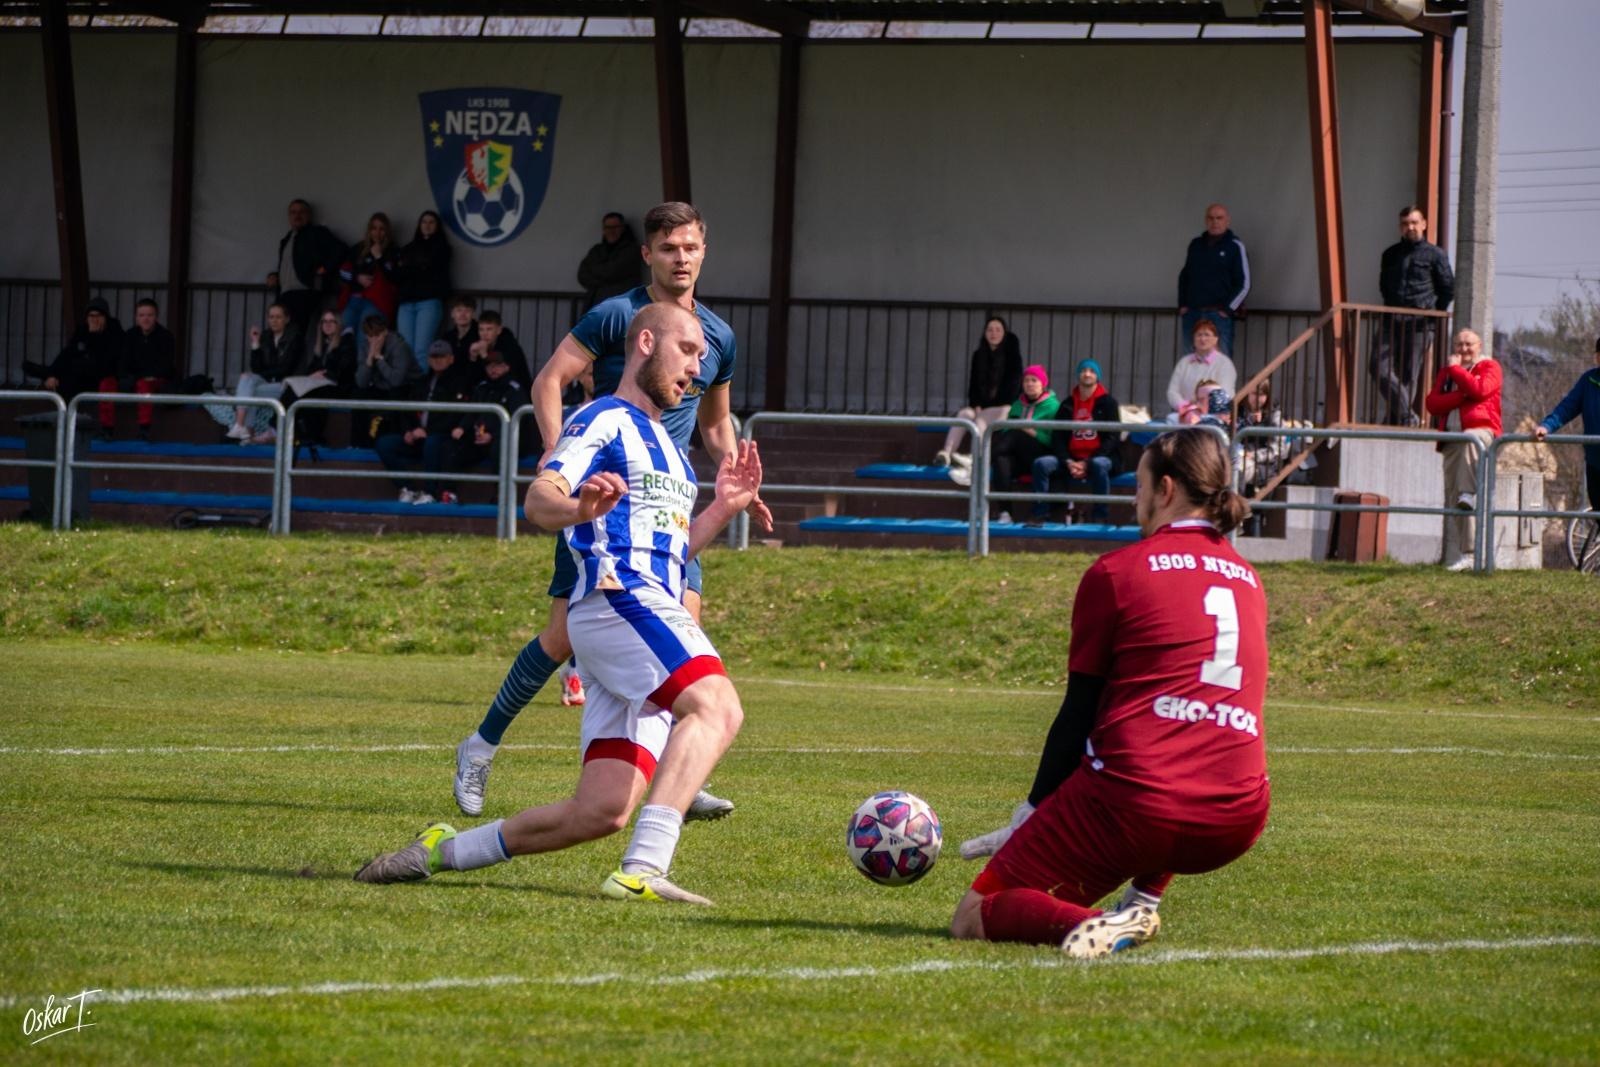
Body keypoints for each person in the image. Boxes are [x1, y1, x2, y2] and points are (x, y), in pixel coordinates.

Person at [356, 303, 764, 907]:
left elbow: (674, 555)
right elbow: (539, 499)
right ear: (646, 342)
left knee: (602, 809)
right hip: (618, 599)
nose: (697, 368)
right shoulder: (602, 419)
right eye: (688, 351)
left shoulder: (676, 454)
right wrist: (578, 510)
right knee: (718, 706)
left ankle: (443, 850)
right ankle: (642, 871)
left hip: (635, 607)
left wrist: (721, 509)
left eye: (704, 359)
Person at [449, 201, 771, 820]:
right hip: (609, 501)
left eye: (691, 248)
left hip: (670, 506)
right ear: (648, 253)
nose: (681, 258)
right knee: (560, 636)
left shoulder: (716, 337)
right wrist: (561, 461)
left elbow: (712, 423)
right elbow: (550, 381)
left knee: (683, 631)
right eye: (669, 248)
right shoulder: (620, 315)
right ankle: (481, 745)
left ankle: (679, 767)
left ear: (705, 252)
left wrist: (737, 477)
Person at [951, 429, 1268, 958]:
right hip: (1236, 815)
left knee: (974, 916)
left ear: (1165, 489)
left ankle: (1107, 922)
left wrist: (1030, 812)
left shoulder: (1118, 571)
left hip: (1137, 804)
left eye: (1139, 484)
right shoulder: (1249, 580)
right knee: (1185, 741)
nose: (1132, 497)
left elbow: (1079, 713)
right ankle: (1145, 897)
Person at [1425, 327, 1501, 571]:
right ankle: (1466, 554)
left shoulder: (1490, 367)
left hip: (1481, 434)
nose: (1464, 349)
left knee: (1465, 493)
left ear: (1479, 345)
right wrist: (1462, 393)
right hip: (1451, 439)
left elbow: (1480, 390)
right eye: (1459, 344)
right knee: (1454, 497)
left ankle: (1473, 553)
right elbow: (1433, 404)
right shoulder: (1447, 373)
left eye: (1469, 344)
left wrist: (1458, 374)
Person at [1374, 205, 1455, 426]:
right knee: (1377, 367)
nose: (1410, 227)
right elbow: (1384, 286)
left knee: (1410, 374)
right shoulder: (1390, 254)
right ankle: (1406, 417)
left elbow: (1448, 288)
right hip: (1391, 319)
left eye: (1414, 222)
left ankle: (1394, 420)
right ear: (1400, 227)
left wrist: (1431, 312)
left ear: (1424, 224)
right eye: (1405, 223)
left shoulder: (1435, 254)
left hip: (1420, 323)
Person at [374, 340, 475, 505]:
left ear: (451, 359)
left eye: (442, 357)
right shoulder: (421, 382)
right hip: (418, 436)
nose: (437, 360)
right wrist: (409, 430)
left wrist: (428, 431)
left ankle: (430, 492)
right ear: (428, 359)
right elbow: (408, 410)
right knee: (385, 444)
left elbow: (456, 415)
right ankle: (407, 488)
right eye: (434, 357)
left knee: (432, 442)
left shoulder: (460, 382)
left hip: (441, 438)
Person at [1039, 358, 1120, 525]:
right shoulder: (1067, 404)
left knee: (1099, 464)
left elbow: (1113, 438)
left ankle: (1100, 516)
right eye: (1083, 370)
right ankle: (1040, 514)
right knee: (1042, 464)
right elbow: (1058, 438)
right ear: (1078, 375)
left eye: (1092, 371)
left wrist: (1087, 463)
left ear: (1097, 376)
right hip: (1071, 458)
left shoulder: (1108, 403)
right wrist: (1068, 461)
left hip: (1099, 457)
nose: (1087, 374)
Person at [935, 316, 1023, 470]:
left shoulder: (1012, 355)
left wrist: (985, 409)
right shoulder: (978, 355)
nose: (993, 333)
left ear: (1004, 333)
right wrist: (975, 405)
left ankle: (976, 458)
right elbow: (973, 386)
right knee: (964, 414)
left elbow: (1013, 388)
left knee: (981, 419)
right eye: (989, 330)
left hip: (1006, 407)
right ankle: (947, 454)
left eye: (998, 330)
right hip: (982, 408)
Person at [209, 302, 301, 444]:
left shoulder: (295, 338)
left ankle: (244, 429)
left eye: (278, 317)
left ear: (286, 319)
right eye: (271, 317)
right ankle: (242, 428)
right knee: (247, 378)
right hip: (269, 385)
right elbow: (256, 369)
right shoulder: (265, 336)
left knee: (249, 389)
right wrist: (255, 344)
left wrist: (265, 373)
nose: (274, 320)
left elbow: (286, 369)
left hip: (287, 386)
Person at [983, 365, 1059, 523]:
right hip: (1018, 454)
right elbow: (1005, 433)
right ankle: (1005, 512)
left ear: (1043, 384)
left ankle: (980, 461)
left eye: (1034, 380)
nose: (1029, 384)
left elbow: (1054, 441)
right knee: (1001, 460)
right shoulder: (1017, 404)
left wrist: (1030, 430)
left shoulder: (1054, 407)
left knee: (1017, 430)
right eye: (1026, 380)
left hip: (1041, 453)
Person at [1533, 335, 1600, 515]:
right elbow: (1567, 407)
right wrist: (1546, 426)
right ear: (1597, 357)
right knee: (1598, 511)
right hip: (1595, 460)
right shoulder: (1589, 380)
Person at [1177, 203, 1250, 357]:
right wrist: (1183, 304)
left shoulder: (1235, 246)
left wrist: (1227, 309)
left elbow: (1244, 283)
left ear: (1227, 221)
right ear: (1206, 220)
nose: (1215, 222)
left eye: (1219, 218)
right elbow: (1185, 276)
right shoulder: (1196, 245)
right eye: (1211, 218)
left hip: (1219, 315)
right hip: (1193, 313)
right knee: (1190, 360)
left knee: (1221, 360)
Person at [100, 298, 177, 441]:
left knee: (144, 384)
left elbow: (166, 366)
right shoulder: (129, 335)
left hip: (155, 380)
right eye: (142, 315)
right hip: (132, 379)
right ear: (136, 317)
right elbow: (122, 363)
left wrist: (147, 377)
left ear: (156, 316)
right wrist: (126, 377)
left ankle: (144, 430)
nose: (145, 319)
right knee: (107, 383)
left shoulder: (166, 337)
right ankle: (107, 429)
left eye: (149, 315)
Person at [34, 297, 124, 409]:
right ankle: (50, 374)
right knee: (67, 368)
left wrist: (94, 336)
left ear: (106, 317)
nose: (94, 319)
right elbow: (68, 352)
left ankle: (46, 372)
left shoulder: (114, 332)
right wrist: (53, 374)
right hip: (80, 375)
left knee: (77, 366)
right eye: (91, 316)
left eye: (98, 316)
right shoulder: (82, 330)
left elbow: (106, 359)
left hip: (103, 374)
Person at [269, 199, 343, 332]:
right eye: (293, 212)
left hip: (304, 291)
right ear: (289, 216)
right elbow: (289, 265)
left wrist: (325, 268)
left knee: (295, 333)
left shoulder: (316, 233)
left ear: (308, 215)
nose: (297, 215)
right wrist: (275, 276)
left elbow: (341, 250)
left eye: (301, 212)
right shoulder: (286, 239)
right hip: (284, 294)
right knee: (279, 334)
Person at [289, 308, 357, 448]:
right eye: (324, 321)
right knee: (291, 389)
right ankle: (280, 428)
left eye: (332, 321)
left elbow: (344, 370)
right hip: (323, 385)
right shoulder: (323, 344)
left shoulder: (346, 342)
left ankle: (312, 436)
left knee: (312, 394)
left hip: (340, 388)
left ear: (339, 324)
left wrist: (322, 375)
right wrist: (313, 375)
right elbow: (311, 369)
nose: (327, 324)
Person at [392, 210, 452, 365]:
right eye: (424, 222)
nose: (427, 225)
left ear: (437, 226)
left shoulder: (443, 248)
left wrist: (410, 267)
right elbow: (397, 274)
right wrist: (418, 267)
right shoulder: (407, 248)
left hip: (429, 302)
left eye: (431, 222)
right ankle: (407, 386)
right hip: (406, 303)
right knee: (405, 348)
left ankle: (420, 387)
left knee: (421, 349)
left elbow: (432, 270)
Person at [351, 314, 421, 447]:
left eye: (377, 335)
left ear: (385, 332)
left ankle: (392, 441)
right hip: (383, 386)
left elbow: (396, 380)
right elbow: (361, 382)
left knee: (396, 394)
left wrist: (379, 359)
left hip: (408, 387)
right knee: (358, 394)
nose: (374, 341)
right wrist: (369, 361)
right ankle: (358, 444)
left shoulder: (400, 346)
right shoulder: (364, 347)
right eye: (370, 336)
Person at [456, 348, 526, 473]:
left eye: (497, 365)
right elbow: (472, 412)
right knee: (452, 448)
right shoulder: (481, 388)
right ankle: (447, 490)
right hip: (480, 437)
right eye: (489, 366)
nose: (493, 369)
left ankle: (500, 492)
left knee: (500, 449)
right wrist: (461, 427)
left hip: (503, 439)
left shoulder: (514, 390)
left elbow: (517, 420)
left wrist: (492, 435)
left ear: (506, 367)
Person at [339, 212, 399, 337]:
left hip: (376, 302)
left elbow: (394, 277)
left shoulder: (393, 250)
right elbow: (342, 272)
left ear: (387, 231)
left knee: (364, 337)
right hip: (354, 300)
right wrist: (357, 277)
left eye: (382, 229)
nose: (377, 233)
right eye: (374, 228)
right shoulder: (358, 248)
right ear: (369, 230)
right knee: (345, 336)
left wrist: (379, 257)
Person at [1165, 319, 1237, 422]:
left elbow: (1226, 394)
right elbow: (1172, 392)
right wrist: (1187, 409)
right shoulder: (1184, 362)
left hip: (1213, 418)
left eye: (1207, 335)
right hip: (1185, 416)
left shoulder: (1225, 364)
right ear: (1193, 339)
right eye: (1199, 335)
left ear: (1216, 339)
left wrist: (1200, 411)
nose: (1202, 339)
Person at [577, 212, 645, 310]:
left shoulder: (632, 250)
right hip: (593, 305)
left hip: (620, 307)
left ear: (623, 228)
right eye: (607, 227)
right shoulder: (596, 250)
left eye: (615, 227)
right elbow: (582, 276)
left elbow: (611, 272)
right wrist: (605, 278)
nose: (611, 231)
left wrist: (593, 271)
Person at [469, 309, 529, 383]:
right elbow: (473, 378)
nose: (484, 334)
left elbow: (503, 362)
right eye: (481, 330)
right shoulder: (477, 344)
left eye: (489, 329)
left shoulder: (509, 344)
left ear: (499, 330)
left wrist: (485, 355)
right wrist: (473, 357)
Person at [436, 295, 479, 364]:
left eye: (467, 310)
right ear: (452, 314)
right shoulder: (447, 337)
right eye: (459, 310)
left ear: (473, 314)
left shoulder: (480, 334)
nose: (462, 314)